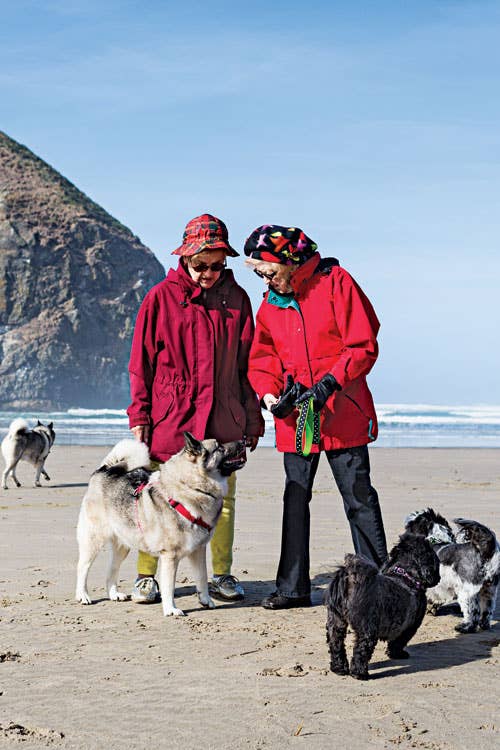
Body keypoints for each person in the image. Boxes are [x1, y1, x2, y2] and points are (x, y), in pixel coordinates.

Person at [244, 224, 387, 610]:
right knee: (295, 496)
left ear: (289, 260)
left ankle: (377, 590)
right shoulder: (270, 303)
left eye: (267, 270)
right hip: (297, 418)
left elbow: (364, 345)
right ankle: (292, 589)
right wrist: (270, 394)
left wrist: (328, 384)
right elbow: (262, 360)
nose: (263, 277)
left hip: (342, 412)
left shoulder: (336, 282)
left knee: (358, 498)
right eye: (257, 272)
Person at [127, 214, 264, 603]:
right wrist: (140, 415)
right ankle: (145, 576)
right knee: (155, 496)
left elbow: (248, 366)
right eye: (200, 265)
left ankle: (221, 574)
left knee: (222, 499)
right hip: (173, 417)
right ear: (185, 258)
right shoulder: (160, 298)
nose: (208, 273)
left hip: (224, 414)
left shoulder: (238, 300)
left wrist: (252, 420)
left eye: (217, 265)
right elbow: (141, 364)